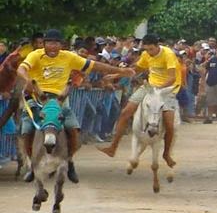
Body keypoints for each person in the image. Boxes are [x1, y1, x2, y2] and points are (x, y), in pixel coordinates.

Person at [18, 29, 135, 183]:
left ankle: (70, 160)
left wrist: (120, 70)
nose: (53, 46)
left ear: (61, 45)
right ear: (44, 44)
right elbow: (21, 68)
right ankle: (32, 164)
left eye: (56, 43)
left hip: (60, 99)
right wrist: (27, 80)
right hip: (38, 97)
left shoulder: (69, 57)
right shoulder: (35, 55)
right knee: (27, 130)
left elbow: (95, 65)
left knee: (73, 130)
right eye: (50, 43)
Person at [98, 33, 180, 169]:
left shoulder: (168, 54)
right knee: (125, 112)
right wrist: (117, 74)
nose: (149, 52)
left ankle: (166, 154)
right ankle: (113, 147)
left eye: (151, 49)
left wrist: (158, 89)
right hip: (150, 87)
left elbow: (172, 78)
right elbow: (137, 69)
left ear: (157, 46)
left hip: (167, 90)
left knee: (169, 124)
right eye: (146, 49)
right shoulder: (146, 55)